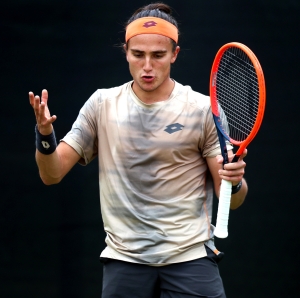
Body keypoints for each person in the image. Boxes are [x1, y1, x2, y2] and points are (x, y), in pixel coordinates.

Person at [29, 3, 248, 297]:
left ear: (174, 54)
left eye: (158, 55)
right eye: (138, 55)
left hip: (190, 257)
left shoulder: (203, 109)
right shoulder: (102, 105)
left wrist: (234, 182)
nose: (147, 66)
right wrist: (45, 135)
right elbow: (51, 174)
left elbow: (230, 200)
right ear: (126, 53)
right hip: (125, 259)